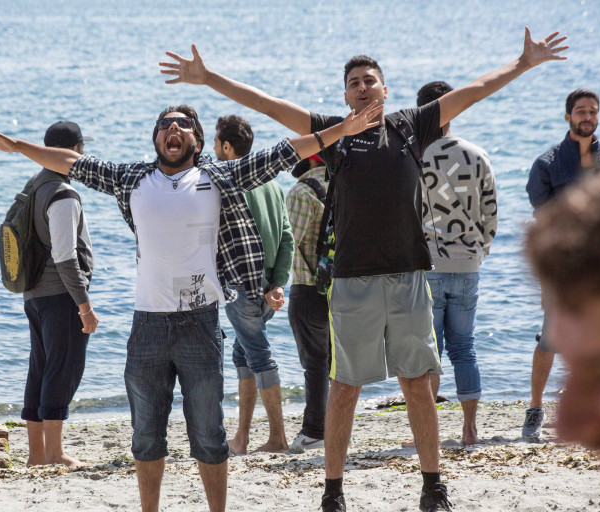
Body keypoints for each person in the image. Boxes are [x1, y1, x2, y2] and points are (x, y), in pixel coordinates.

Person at [160, 27, 567, 512]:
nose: (361, 87)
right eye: (353, 82)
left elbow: (474, 91)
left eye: (369, 80)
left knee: (417, 382)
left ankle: (433, 486)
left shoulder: (411, 125)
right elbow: (270, 106)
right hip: (351, 280)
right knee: (344, 386)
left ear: (384, 88)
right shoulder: (334, 134)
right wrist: (209, 79)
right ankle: (333, 492)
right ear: (345, 93)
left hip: (409, 275)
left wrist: (523, 64)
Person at [0, 101, 382, 512]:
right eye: (165, 124)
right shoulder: (132, 177)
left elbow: (283, 152)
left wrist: (341, 131)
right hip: (147, 325)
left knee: (209, 434)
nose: (174, 129)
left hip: (200, 323)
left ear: (197, 139)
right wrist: (17, 145)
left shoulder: (218, 176)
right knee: (146, 435)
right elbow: (72, 161)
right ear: (155, 138)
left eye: (183, 124)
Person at [416, 81, 498, 446]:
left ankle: (427, 433)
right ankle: (469, 430)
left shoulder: (414, 158)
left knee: (428, 351)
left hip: (427, 266)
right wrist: (479, 252)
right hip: (467, 265)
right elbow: (491, 214)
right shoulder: (477, 155)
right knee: (464, 347)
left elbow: (406, 215)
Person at [522, 88, 600, 441]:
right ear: (567, 116)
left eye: (593, 111)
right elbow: (545, 224)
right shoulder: (547, 163)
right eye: (581, 111)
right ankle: (536, 409)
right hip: (568, 270)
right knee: (551, 340)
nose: (587, 116)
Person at [214, 115, 294, 455]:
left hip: (242, 286)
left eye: (216, 143)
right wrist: (278, 284)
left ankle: (278, 438)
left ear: (227, 147)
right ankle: (242, 438)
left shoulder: (230, 184)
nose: (214, 150)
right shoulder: (273, 185)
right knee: (243, 354)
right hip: (266, 290)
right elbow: (287, 238)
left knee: (259, 356)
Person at [21, 121, 99, 469]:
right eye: (81, 150)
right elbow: (65, 256)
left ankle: (36, 454)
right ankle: (54, 453)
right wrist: (84, 305)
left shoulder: (36, 186)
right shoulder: (63, 194)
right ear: (74, 152)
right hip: (60, 295)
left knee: (39, 369)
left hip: (34, 294)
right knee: (61, 370)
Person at [285, 155, 331, 452]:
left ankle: (314, 430)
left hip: (308, 285)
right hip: (343, 288)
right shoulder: (344, 187)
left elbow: (287, 243)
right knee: (337, 366)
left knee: (314, 364)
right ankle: (336, 426)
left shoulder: (302, 193)